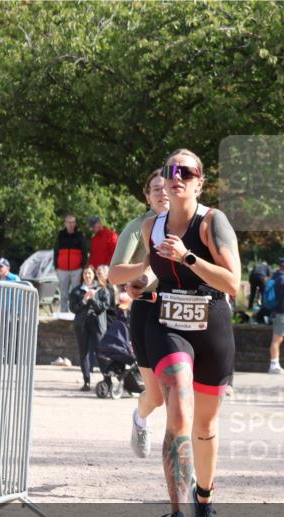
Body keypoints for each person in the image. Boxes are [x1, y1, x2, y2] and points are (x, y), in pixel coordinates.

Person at [109, 148, 240, 517]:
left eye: (186, 171)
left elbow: (233, 283)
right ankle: (178, 515)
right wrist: (140, 284)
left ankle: (205, 500)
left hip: (212, 323)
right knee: (179, 411)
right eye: (171, 170)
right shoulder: (151, 226)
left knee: (205, 426)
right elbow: (148, 273)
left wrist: (188, 258)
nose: (177, 177)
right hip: (168, 324)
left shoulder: (213, 223)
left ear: (200, 182)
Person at [108, 168, 169, 458]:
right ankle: (140, 418)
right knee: (156, 396)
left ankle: (186, 463)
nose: (163, 193)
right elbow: (114, 274)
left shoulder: (187, 224)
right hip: (147, 307)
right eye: (156, 189)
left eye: (166, 187)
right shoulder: (137, 227)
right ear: (147, 196)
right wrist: (145, 266)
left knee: (185, 390)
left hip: (181, 308)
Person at [69, 266, 111, 391]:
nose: (87, 276)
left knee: (101, 351)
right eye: (85, 273)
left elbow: (103, 307)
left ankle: (107, 379)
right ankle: (86, 381)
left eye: (90, 273)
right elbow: (73, 308)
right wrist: (83, 300)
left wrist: (92, 299)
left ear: (94, 275)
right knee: (84, 352)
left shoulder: (102, 290)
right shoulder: (76, 291)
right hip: (81, 324)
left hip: (97, 324)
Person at [54, 214, 87, 314]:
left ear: (75, 223)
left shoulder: (80, 235)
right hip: (62, 269)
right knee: (63, 294)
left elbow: (84, 252)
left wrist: (83, 267)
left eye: (73, 222)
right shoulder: (60, 235)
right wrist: (56, 266)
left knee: (76, 293)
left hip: (77, 270)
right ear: (65, 223)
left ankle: (76, 314)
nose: (71, 224)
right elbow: (56, 251)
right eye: (69, 222)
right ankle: (63, 314)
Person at [268, 257, 284, 375]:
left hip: (277, 311)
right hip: (283, 312)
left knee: (277, 339)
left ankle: (275, 364)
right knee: (276, 340)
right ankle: (274, 366)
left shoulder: (276, 278)